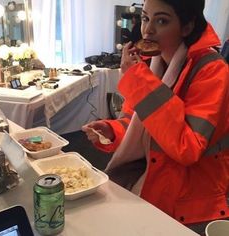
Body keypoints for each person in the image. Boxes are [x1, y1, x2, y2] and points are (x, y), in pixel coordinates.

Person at [82, 0, 229, 234]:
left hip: (189, 203)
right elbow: (137, 124)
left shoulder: (211, 71)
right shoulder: (152, 64)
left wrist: (139, 82)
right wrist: (112, 131)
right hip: (148, 182)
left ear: (187, 27)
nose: (148, 30)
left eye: (161, 21)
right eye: (145, 18)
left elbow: (188, 147)